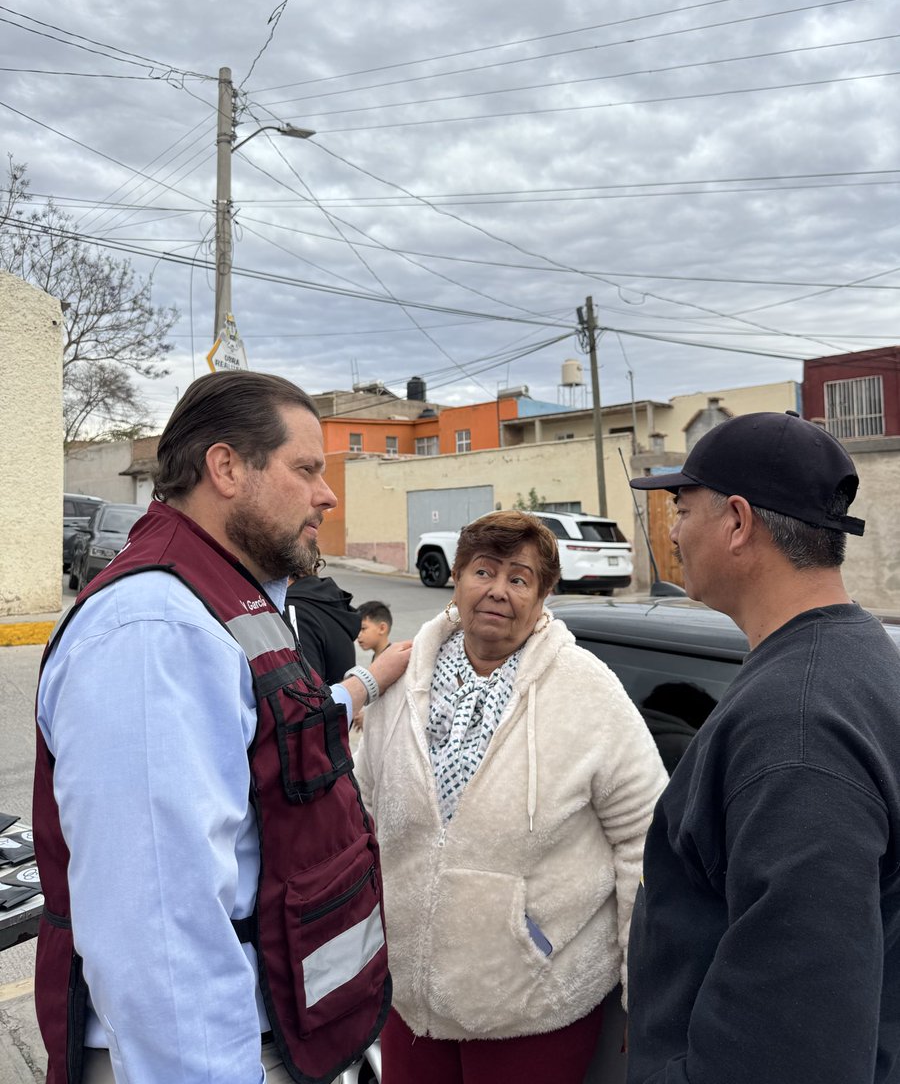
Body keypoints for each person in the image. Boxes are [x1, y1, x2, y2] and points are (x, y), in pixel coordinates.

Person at [32, 371, 411, 1084]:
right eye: (306, 471)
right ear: (227, 467)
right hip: (209, 1054)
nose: (326, 496)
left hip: (278, 1031)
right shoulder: (153, 630)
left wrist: (363, 683)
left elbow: (277, 736)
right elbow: (159, 940)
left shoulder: (227, 598)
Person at [626, 410, 900, 1084]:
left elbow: (794, 1051)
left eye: (682, 508)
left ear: (739, 522)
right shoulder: (859, 657)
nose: (674, 530)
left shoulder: (799, 729)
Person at [354, 510, 668, 1084]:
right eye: (484, 571)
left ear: (544, 594)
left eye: (519, 578)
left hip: (532, 1004)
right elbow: (365, 815)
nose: (498, 590)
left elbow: (646, 839)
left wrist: (641, 981)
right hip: (409, 999)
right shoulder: (401, 682)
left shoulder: (587, 689)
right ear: (457, 578)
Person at [285, 558, 361, 685]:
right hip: (343, 701)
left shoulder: (294, 609)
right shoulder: (326, 601)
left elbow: (306, 690)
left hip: (326, 702)